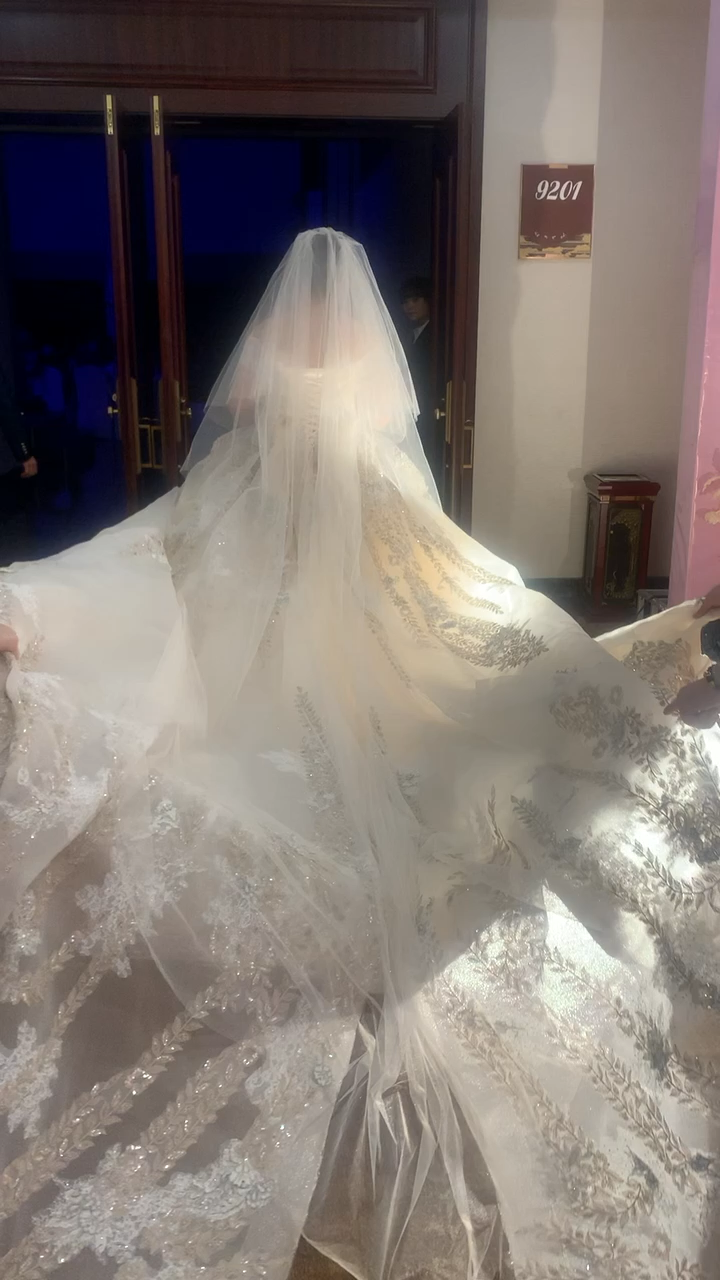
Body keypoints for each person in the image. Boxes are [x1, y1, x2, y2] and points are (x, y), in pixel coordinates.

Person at [0, 230, 718, 1280]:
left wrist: (36, 606)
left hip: (296, 632)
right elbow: (404, 530)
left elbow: (172, 534)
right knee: (458, 697)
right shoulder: (362, 407)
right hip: (314, 630)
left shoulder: (262, 411)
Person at [401, 276, 443, 488]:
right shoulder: (406, 335)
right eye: (405, 301)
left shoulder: (438, 335)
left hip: (431, 409)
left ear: (428, 301)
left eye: (415, 300)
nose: (409, 306)